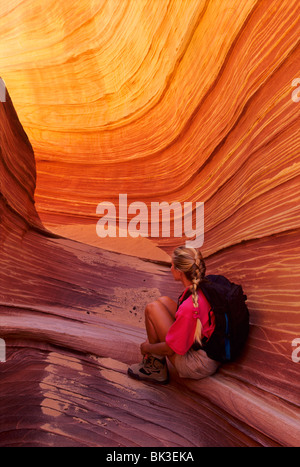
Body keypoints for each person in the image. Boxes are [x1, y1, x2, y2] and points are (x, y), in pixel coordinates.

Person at [127, 246, 221, 384]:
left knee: (151, 308)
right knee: (163, 301)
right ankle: (155, 363)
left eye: (172, 265)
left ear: (180, 272)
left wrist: (148, 348)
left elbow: (171, 349)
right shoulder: (203, 288)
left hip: (198, 364)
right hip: (209, 352)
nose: (170, 268)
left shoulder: (190, 307)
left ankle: (155, 368)